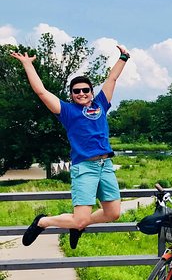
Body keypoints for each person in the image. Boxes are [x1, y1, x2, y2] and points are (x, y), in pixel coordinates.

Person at [12, 45, 131, 249]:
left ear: (92, 93)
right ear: (72, 95)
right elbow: (41, 91)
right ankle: (43, 221)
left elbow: (111, 79)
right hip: (85, 167)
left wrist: (123, 57)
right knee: (79, 218)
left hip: (106, 165)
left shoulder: (101, 104)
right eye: (77, 91)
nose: (82, 93)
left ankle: (79, 226)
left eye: (86, 90)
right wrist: (27, 65)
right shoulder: (67, 111)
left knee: (113, 213)